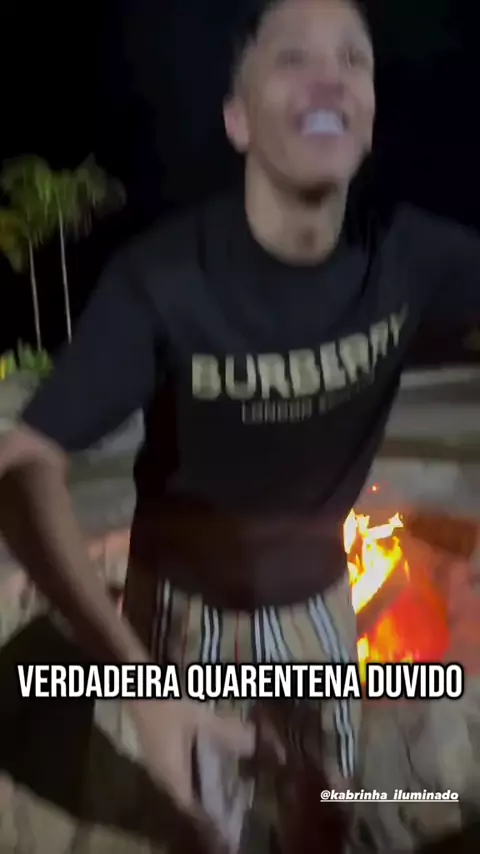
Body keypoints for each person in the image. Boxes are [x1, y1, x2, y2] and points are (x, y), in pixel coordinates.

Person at [1, 0, 480, 850]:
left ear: (370, 117)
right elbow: (24, 460)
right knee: (201, 825)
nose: (330, 75)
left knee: (327, 801)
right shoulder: (163, 279)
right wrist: (138, 678)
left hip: (321, 598)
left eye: (353, 59)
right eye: (293, 57)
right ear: (237, 118)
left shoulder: (413, 256)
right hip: (182, 612)